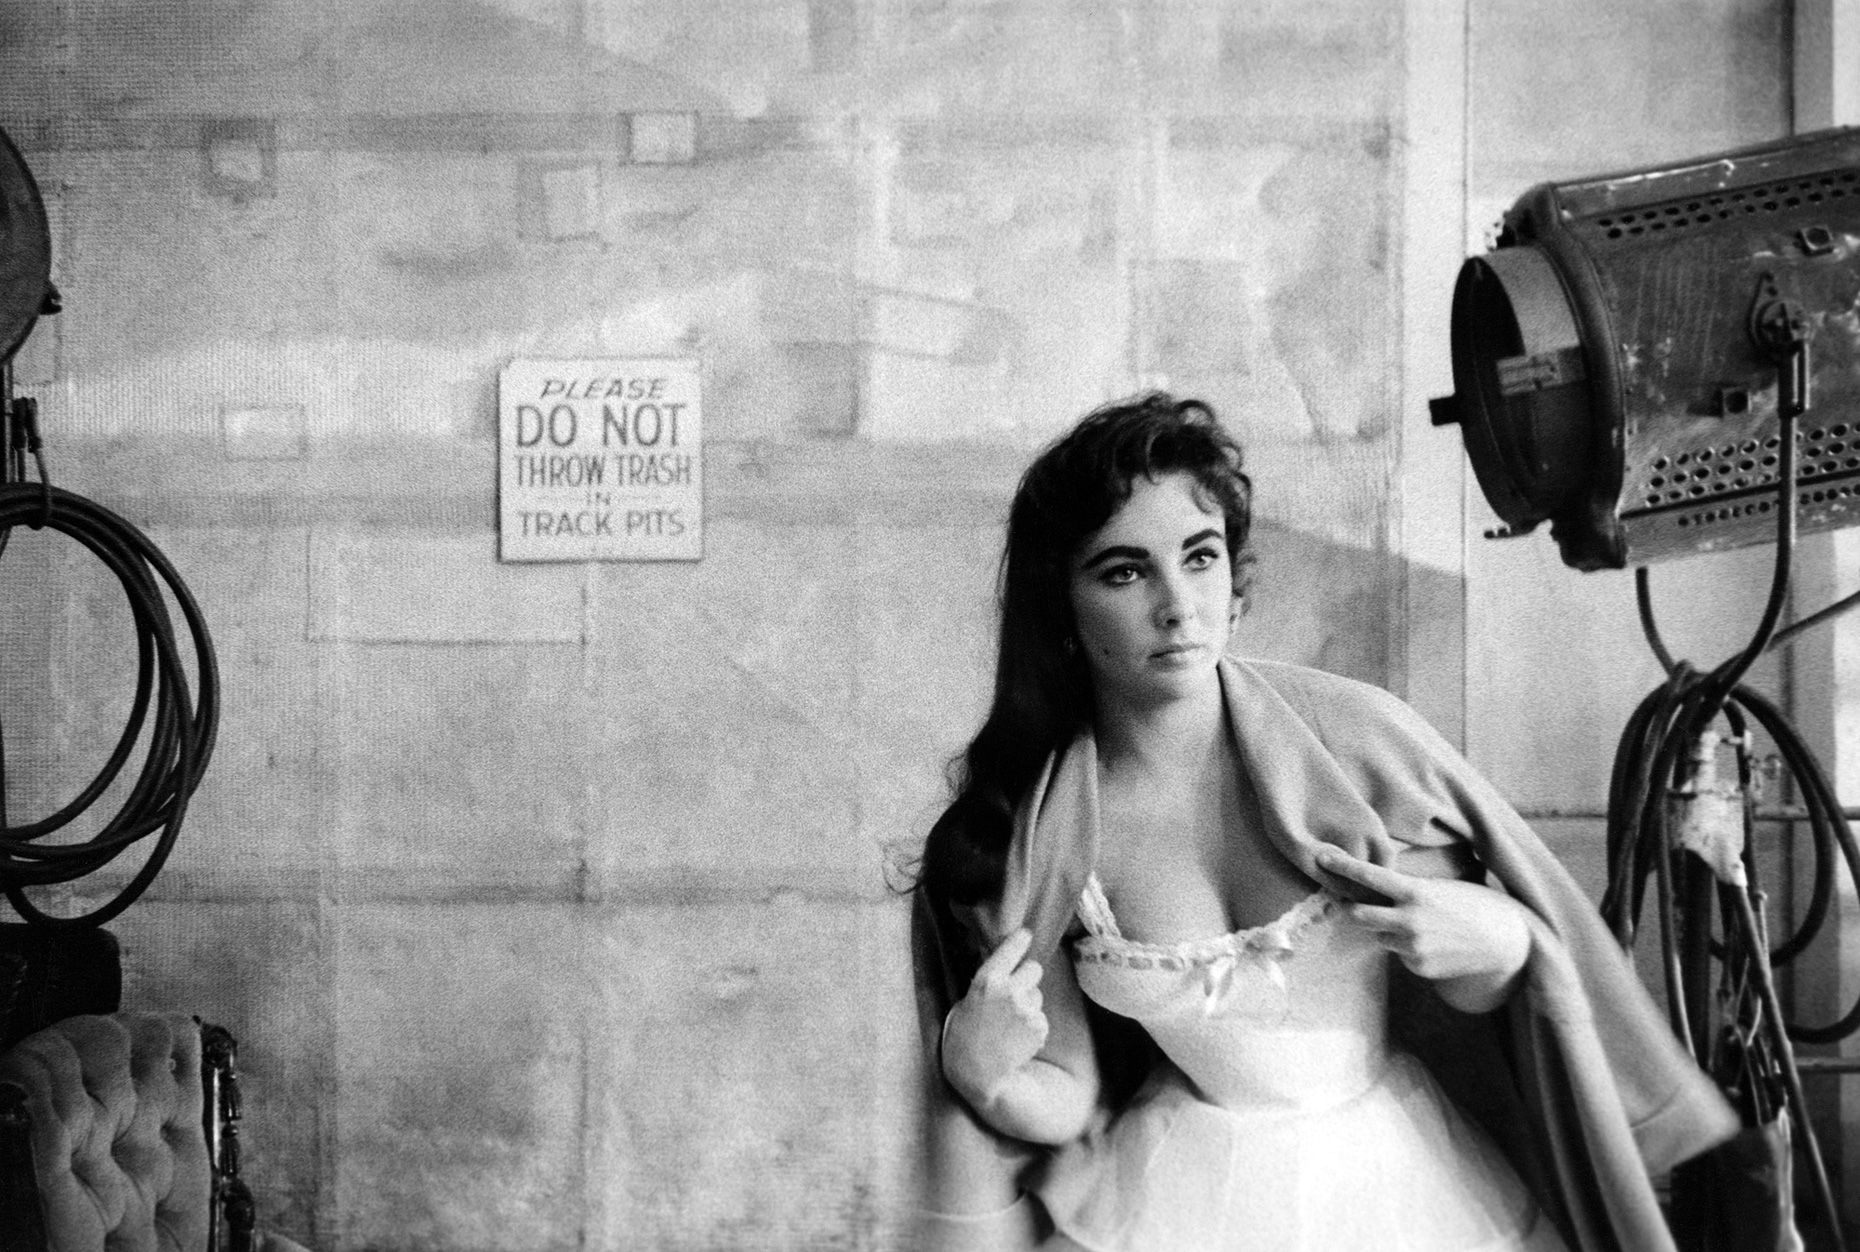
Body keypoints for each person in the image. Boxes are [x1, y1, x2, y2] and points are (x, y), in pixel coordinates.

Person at [908, 393, 1738, 1252]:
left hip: (1402, 1183)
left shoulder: (1358, 743)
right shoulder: (1043, 834)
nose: (1177, 605)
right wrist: (978, 1070)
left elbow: (1477, 1000)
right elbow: (1069, 1092)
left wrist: (1504, 936)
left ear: (1234, 580)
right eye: (1124, 572)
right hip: (1178, 1193)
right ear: (1062, 609)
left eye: (1200, 557)